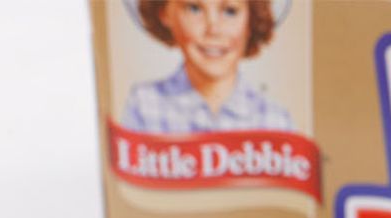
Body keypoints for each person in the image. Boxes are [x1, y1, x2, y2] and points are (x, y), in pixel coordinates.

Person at [122, 0, 293, 135]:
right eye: (194, 8)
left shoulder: (274, 120)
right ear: (165, 14)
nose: (213, 29)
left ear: (252, 19)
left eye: (230, 11)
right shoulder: (144, 106)